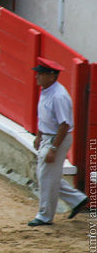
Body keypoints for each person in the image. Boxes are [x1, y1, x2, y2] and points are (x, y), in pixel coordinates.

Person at [27, 58, 88, 226]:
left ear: (52, 76)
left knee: (46, 177)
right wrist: (39, 135)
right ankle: (77, 199)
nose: (37, 77)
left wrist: (54, 148)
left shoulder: (59, 96)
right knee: (46, 175)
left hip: (56, 139)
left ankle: (45, 216)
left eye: (41, 74)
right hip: (48, 136)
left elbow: (64, 124)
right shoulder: (47, 90)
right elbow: (45, 117)